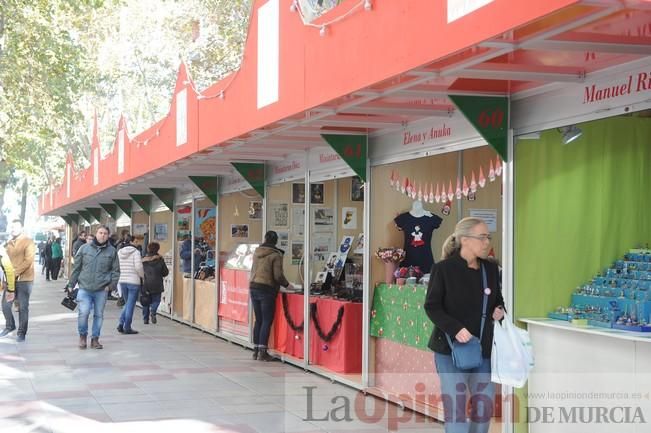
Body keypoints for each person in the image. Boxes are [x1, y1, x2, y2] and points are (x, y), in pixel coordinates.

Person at [424, 217, 505, 433]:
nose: (487, 242)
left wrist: (499, 310)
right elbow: (432, 306)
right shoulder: (443, 269)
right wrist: (456, 328)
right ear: (465, 240)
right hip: (449, 349)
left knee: (484, 406)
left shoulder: (490, 269)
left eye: (488, 237)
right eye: (482, 237)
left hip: (482, 349)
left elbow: (498, 300)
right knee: (457, 409)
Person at [69, 225, 120, 349]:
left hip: (101, 289)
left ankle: (95, 339)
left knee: (99, 315)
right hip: (84, 288)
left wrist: (111, 286)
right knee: (83, 313)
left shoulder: (112, 251)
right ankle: (82, 337)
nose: (102, 235)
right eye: (100, 232)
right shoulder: (84, 248)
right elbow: (77, 268)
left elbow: (116, 270)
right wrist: (71, 284)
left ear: (108, 236)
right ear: (95, 234)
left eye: (105, 233)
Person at [249, 230, 293, 361]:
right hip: (266, 289)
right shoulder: (276, 255)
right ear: (276, 241)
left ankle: (256, 350)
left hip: (253, 286)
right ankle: (263, 352)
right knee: (267, 320)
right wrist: (288, 285)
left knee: (259, 320)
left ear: (265, 238)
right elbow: (278, 275)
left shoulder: (257, 252)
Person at [2, 220, 36, 342]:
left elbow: (28, 261)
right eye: (11, 227)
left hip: (25, 280)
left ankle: (22, 333)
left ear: (21, 228)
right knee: (5, 305)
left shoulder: (28, 241)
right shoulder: (8, 244)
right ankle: (10, 326)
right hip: (10, 280)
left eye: (15, 227)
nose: (13, 229)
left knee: (23, 307)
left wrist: (14, 273)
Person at [116, 235, 144, 335]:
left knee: (128, 303)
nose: (137, 243)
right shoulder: (136, 252)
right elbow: (138, 267)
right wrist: (142, 276)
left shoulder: (119, 252)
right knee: (130, 305)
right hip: (133, 281)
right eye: (136, 241)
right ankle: (127, 327)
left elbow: (117, 266)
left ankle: (121, 323)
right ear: (131, 242)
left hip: (123, 280)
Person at [141, 242, 169, 325]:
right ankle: (153, 311)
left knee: (145, 301)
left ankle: (145, 319)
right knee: (156, 300)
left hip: (146, 283)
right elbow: (165, 272)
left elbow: (139, 270)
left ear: (148, 249)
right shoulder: (160, 259)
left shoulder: (143, 259)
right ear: (158, 249)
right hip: (157, 283)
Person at [0, 246, 16, 335]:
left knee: (5, 305)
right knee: (5, 305)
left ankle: (10, 326)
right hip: (10, 283)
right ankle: (11, 325)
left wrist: (11, 289)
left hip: (14, 283)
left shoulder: (2, 256)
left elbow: (9, 271)